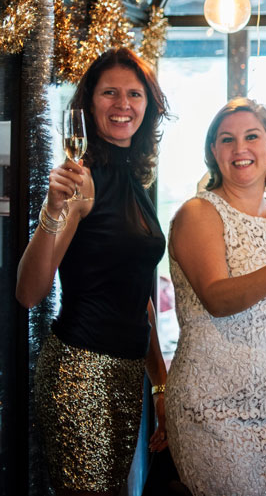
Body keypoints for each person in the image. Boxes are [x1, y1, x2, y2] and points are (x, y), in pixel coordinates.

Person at [18, 48, 170, 496]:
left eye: (134, 94)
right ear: (88, 104)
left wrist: (159, 382)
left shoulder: (135, 180)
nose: (123, 104)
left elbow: (137, 291)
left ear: (148, 105)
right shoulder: (82, 179)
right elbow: (29, 293)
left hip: (126, 373)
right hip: (82, 371)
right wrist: (52, 208)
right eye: (109, 93)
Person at [166, 98, 266, 496]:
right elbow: (216, 298)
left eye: (251, 136)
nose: (240, 149)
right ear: (213, 152)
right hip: (216, 414)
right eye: (226, 140)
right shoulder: (198, 213)